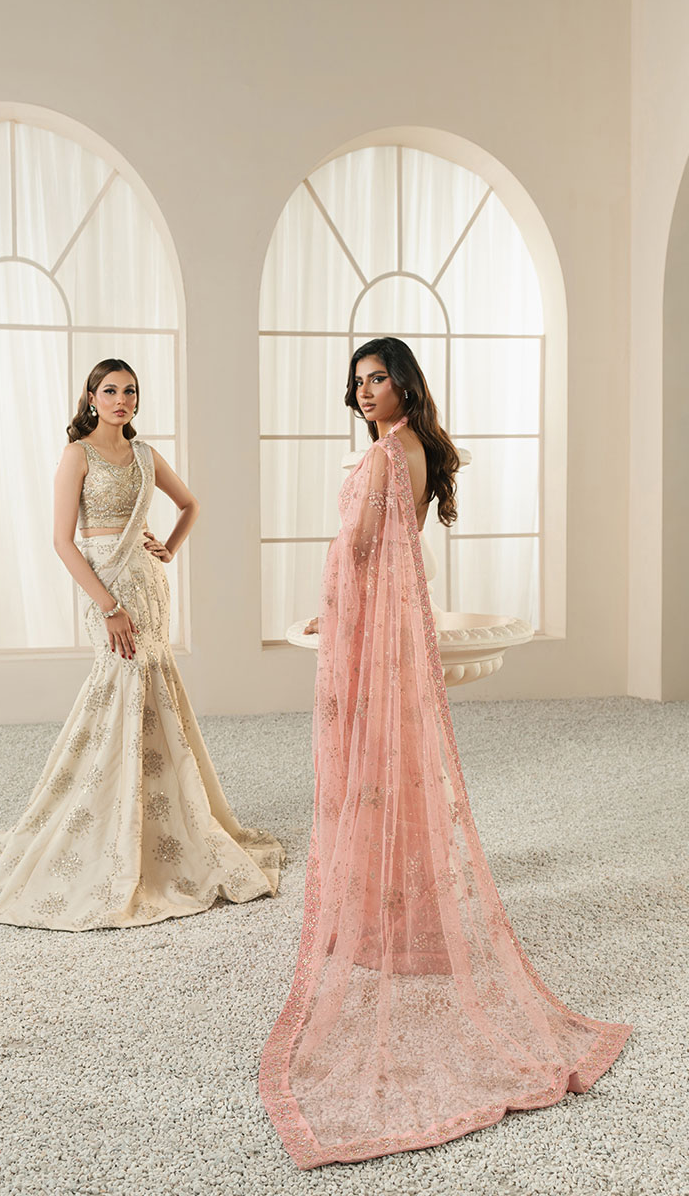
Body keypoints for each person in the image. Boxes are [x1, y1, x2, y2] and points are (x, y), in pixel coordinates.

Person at [259, 337, 631, 1168]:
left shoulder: (385, 454)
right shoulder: (420, 450)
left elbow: (358, 548)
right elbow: (396, 543)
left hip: (374, 622)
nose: (365, 391)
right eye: (357, 381)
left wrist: (334, 615)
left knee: (372, 765)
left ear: (405, 384)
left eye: (378, 378)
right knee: (397, 767)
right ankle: (397, 905)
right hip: (399, 617)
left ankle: (380, 914)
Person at [0, 358, 283, 930]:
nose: (121, 399)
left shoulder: (145, 455)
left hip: (147, 586)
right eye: (110, 390)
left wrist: (168, 547)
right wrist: (108, 606)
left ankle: (158, 814)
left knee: (153, 685)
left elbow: (191, 504)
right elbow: (62, 541)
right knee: (116, 685)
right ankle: (104, 812)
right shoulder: (77, 454)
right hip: (106, 585)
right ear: (92, 397)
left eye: (130, 391)